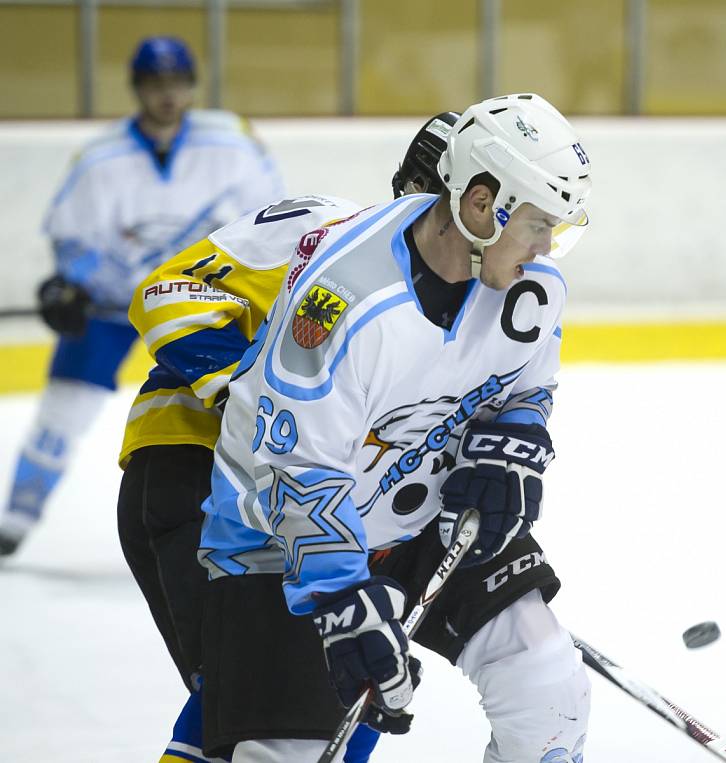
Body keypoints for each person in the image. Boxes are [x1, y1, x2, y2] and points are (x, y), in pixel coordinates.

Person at [197, 93, 593, 763]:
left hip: (422, 510)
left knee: (548, 682)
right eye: (536, 224)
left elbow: (525, 386)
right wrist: (340, 592)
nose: (546, 247)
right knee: (286, 751)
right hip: (282, 537)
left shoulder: (530, 282)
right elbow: (295, 471)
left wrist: (514, 441)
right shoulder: (343, 298)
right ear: (479, 206)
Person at [117, 113, 461, 763]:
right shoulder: (331, 231)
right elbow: (169, 294)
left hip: (259, 505)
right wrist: (259, 396)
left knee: (283, 700)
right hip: (205, 478)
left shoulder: (439, 317)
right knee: (313, 697)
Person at [0, 36, 284, 556]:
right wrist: (70, 282)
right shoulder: (102, 158)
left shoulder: (233, 146)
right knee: (61, 411)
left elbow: (267, 223)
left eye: (176, 83)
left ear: (191, 86)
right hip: (112, 306)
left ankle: (247, 521)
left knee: (235, 407)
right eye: (156, 84)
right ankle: (14, 519)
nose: (168, 95)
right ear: (137, 89)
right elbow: (75, 241)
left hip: (202, 305)